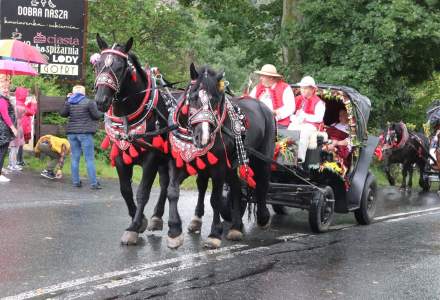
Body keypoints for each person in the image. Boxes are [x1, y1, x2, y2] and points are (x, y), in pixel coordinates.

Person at [60, 85, 103, 189]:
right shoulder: (89, 102)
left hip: (72, 133)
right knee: (89, 159)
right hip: (85, 133)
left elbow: (62, 114)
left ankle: (76, 182)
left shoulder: (69, 102)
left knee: (75, 158)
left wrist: (67, 100)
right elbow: (96, 115)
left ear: (73, 93)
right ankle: (93, 183)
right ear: (84, 93)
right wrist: (103, 112)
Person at [288, 76, 326, 163]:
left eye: (305, 88)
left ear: (312, 90)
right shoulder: (298, 99)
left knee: (303, 133)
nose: (302, 90)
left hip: (312, 125)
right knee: (289, 129)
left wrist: (304, 116)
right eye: (301, 88)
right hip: (298, 123)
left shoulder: (319, 102)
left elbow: (319, 118)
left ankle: (299, 159)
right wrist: (294, 118)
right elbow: (291, 112)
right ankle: (287, 158)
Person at [249, 64, 295, 129]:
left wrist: (275, 113)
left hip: (279, 124)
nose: (260, 78)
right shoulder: (257, 87)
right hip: (259, 123)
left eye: (263, 76)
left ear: (271, 77)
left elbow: (290, 107)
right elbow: (250, 102)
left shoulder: (285, 88)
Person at [0, 74, 17, 182]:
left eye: (7, 88)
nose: (6, 90)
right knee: (2, 152)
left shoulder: (5, 98)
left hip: (3, 129)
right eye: (3, 88)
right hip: (3, 129)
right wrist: (13, 128)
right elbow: (5, 115)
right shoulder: (2, 99)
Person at [16, 87, 37, 166]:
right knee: (20, 144)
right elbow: (32, 112)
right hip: (22, 127)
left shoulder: (19, 102)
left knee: (20, 144)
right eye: (26, 93)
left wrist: (29, 103)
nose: (27, 95)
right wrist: (34, 103)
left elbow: (26, 109)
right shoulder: (20, 104)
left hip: (21, 126)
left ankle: (20, 160)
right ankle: (18, 161)